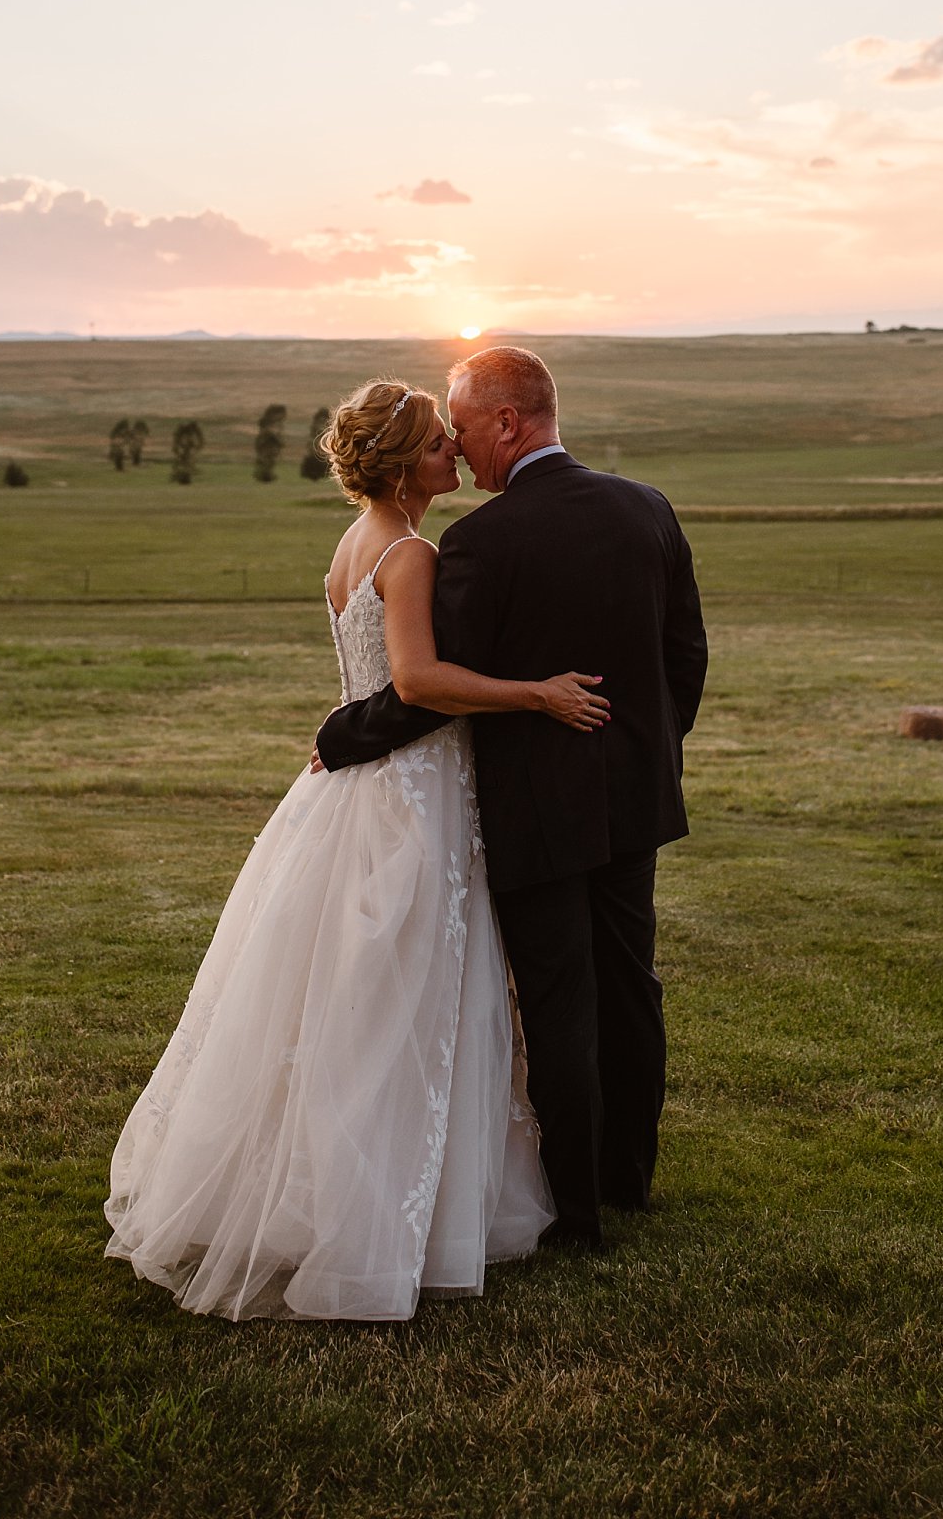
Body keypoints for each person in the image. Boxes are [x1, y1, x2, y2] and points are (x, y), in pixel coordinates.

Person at [104, 378, 609, 1321]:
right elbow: (416, 682)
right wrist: (535, 692)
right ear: (399, 462)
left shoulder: (350, 544)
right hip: (413, 799)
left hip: (350, 794)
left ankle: (334, 1200)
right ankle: (384, 1223)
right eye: (434, 447)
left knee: (342, 998)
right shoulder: (412, 551)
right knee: (403, 1003)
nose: (451, 457)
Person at [316, 347, 708, 1248]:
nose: (455, 444)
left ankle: (574, 1212)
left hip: (535, 806)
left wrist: (342, 736)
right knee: (628, 986)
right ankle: (626, 1181)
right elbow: (682, 657)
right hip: (634, 804)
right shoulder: (646, 507)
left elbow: (431, 687)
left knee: (557, 1000)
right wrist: (640, 756)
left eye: (462, 426)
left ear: (506, 422)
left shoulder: (479, 542)